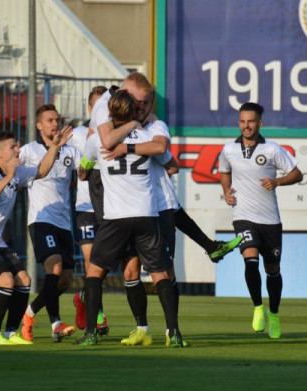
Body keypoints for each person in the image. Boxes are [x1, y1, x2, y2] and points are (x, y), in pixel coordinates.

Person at [85, 73, 240, 346]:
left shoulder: (151, 126)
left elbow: (89, 163)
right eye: (138, 102)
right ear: (125, 98)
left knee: (158, 272)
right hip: (144, 212)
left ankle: (165, 331)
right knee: (135, 271)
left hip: (145, 210)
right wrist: (137, 145)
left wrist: (124, 149)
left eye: (146, 103)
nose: (142, 107)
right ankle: (145, 329)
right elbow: (168, 161)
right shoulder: (145, 131)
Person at [75, 89, 182, 347]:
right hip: (147, 215)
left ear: (109, 112)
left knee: (94, 272)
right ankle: (174, 333)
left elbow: (83, 173)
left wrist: (90, 168)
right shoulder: (147, 137)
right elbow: (171, 164)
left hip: (116, 217)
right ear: (134, 110)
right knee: (160, 274)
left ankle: (91, 333)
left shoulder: (97, 141)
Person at [0, 129, 71, 345]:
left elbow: (41, 171)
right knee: (6, 280)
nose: (18, 149)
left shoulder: (17, 171)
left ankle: (10, 333)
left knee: (24, 281)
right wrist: (10, 176)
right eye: (13, 146)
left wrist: (54, 147)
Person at [219, 102, 302, 339]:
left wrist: (277, 181)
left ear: (260, 123)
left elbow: (297, 174)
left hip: (270, 220)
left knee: (272, 270)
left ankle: (273, 314)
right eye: (242, 121)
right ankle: (257, 307)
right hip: (243, 217)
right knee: (250, 261)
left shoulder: (272, 149)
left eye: (251, 121)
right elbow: (224, 171)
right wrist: (226, 191)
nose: (246, 126)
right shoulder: (228, 149)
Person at [17, 104, 81, 343]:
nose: (55, 124)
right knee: (54, 267)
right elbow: (8, 166)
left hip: (64, 223)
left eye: (57, 119)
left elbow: (85, 170)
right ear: (39, 125)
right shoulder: (29, 150)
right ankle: (56, 324)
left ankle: (30, 312)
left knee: (64, 280)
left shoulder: (70, 151)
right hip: (41, 219)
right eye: (50, 120)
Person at [68, 86, 110, 334]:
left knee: (105, 262)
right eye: (96, 105)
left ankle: (83, 296)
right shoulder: (77, 134)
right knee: (91, 261)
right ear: (89, 108)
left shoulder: (113, 134)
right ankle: (99, 313)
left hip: (110, 207)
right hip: (85, 207)